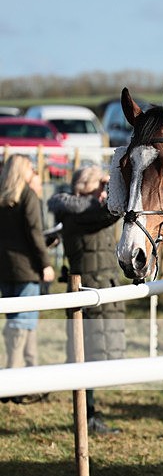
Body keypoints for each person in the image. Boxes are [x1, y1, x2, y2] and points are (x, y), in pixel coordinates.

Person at [48, 166, 125, 434]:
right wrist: (116, 183)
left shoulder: (82, 210)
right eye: (100, 185)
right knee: (88, 355)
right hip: (90, 291)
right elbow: (109, 213)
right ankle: (87, 416)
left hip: (99, 289)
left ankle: (90, 413)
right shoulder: (80, 212)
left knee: (95, 354)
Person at [0, 154, 54, 401]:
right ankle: (14, 383)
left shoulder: (4, 198)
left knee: (19, 323)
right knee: (23, 325)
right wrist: (45, 264)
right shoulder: (27, 197)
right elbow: (34, 234)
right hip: (26, 269)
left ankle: (30, 376)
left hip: (6, 268)